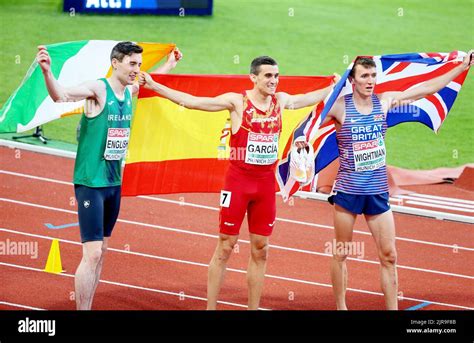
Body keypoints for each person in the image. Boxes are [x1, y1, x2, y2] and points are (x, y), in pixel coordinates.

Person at [139, 56, 339, 309]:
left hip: (266, 186)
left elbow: (310, 98)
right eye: (268, 76)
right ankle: (211, 307)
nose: (273, 81)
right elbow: (191, 102)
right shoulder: (237, 102)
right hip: (237, 183)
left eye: (276, 76)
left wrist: (336, 85)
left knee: (261, 248)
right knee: (226, 246)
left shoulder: (281, 100)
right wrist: (155, 86)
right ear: (253, 77)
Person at [323, 51, 473, 310]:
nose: (370, 81)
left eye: (373, 76)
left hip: (378, 192)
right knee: (341, 253)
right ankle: (341, 307)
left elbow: (424, 88)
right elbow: (310, 118)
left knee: (390, 256)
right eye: (364, 76)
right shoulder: (338, 107)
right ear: (353, 79)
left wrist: (460, 68)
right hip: (348, 192)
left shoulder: (386, 100)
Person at [37, 41, 181, 310]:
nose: (137, 69)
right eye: (132, 64)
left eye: (139, 64)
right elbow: (61, 96)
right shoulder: (98, 89)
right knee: (91, 254)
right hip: (91, 183)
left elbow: (147, 83)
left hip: (114, 184)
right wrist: (47, 72)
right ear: (115, 63)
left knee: (101, 253)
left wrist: (170, 63)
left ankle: (88, 305)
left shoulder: (128, 91)